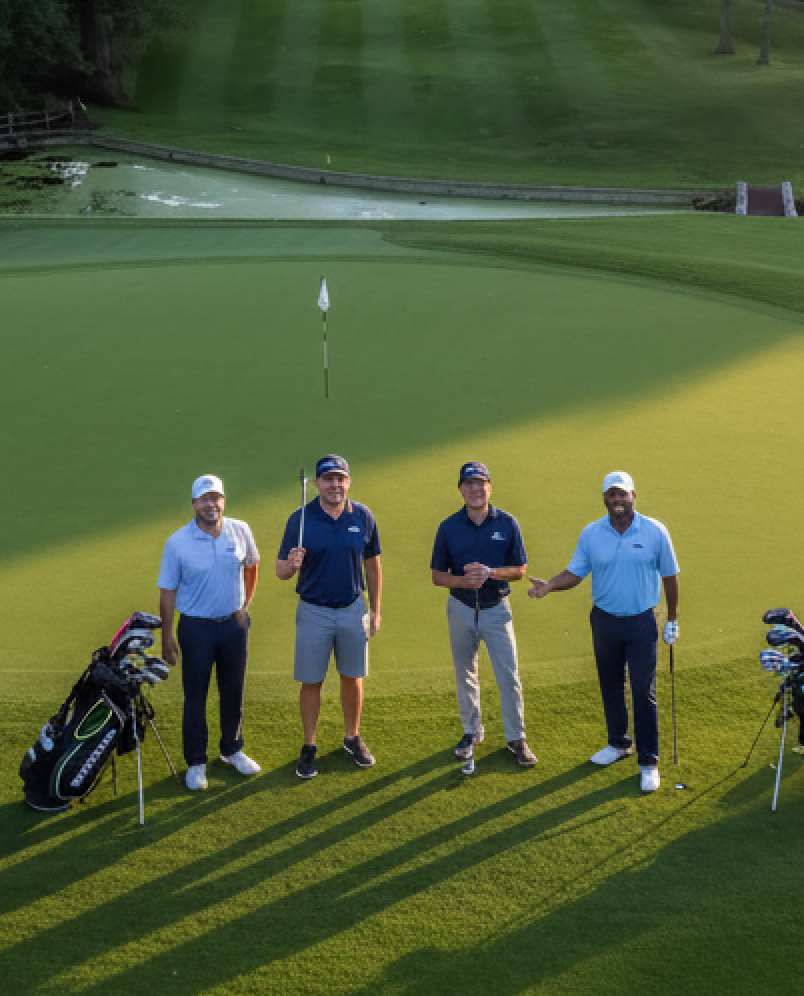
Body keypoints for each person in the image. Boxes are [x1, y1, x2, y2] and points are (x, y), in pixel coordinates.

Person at [527, 471, 679, 792]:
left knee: (642, 690)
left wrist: (673, 619)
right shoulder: (591, 534)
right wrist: (549, 586)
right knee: (610, 684)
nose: (618, 499)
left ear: (633, 496)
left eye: (623, 494)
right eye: (612, 494)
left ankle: (649, 760)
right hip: (604, 620)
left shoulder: (654, 531)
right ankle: (618, 744)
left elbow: (670, 576)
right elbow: (576, 572)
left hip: (640, 622)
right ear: (604, 499)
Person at [276, 455, 382, 779]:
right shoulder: (300, 519)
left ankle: (352, 737)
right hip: (314, 611)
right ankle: (309, 746)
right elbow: (280, 570)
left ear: (348, 481)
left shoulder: (362, 516)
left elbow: (373, 565)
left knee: (352, 677)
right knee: (312, 681)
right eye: (328, 479)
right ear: (317, 483)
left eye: (341, 479)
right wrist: (291, 565)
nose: (336, 485)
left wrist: (376, 609)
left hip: (353, 608)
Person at [158, 474, 261, 791]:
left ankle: (232, 749)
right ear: (193, 504)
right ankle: (196, 762)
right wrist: (166, 637)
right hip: (196, 628)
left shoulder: (239, 530)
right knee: (196, 697)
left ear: (223, 501)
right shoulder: (177, 542)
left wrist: (246, 602)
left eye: (216, 498)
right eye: (204, 499)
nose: (211, 504)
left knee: (234, 691)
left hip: (234, 625)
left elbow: (252, 565)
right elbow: (167, 593)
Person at [431, 461, 537, 767]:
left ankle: (516, 738)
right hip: (461, 608)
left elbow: (519, 570)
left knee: (509, 675)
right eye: (470, 484)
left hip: (496, 609)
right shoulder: (448, 527)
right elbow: (438, 575)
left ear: (490, 487)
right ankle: (471, 731)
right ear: (461, 490)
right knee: (465, 673)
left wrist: (490, 573)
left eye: (482, 483)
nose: (477, 489)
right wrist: (465, 581)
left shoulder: (507, 523)